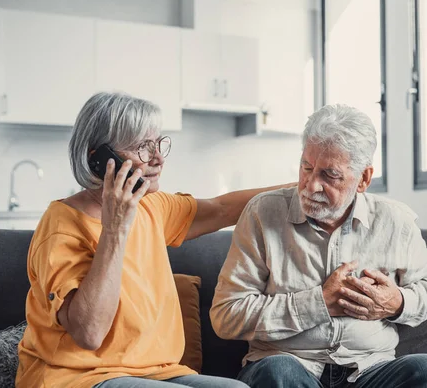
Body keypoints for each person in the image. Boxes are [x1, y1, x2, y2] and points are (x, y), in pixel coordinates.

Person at [16, 92, 292, 388]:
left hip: (157, 372)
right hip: (78, 377)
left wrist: (305, 187)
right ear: (99, 160)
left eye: (159, 144)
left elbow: (222, 208)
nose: (158, 159)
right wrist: (115, 229)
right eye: (143, 148)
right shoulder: (61, 225)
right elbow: (89, 333)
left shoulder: (151, 207)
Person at [210, 104, 427, 388]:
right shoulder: (261, 213)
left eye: (329, 175)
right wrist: (319, 304)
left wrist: (398, 303)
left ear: (364, 178)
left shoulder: (396, 220)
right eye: (306, 167)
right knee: (278, 372)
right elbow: (226, 315)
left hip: (370, 369)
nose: (310, 185)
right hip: (290, 364)